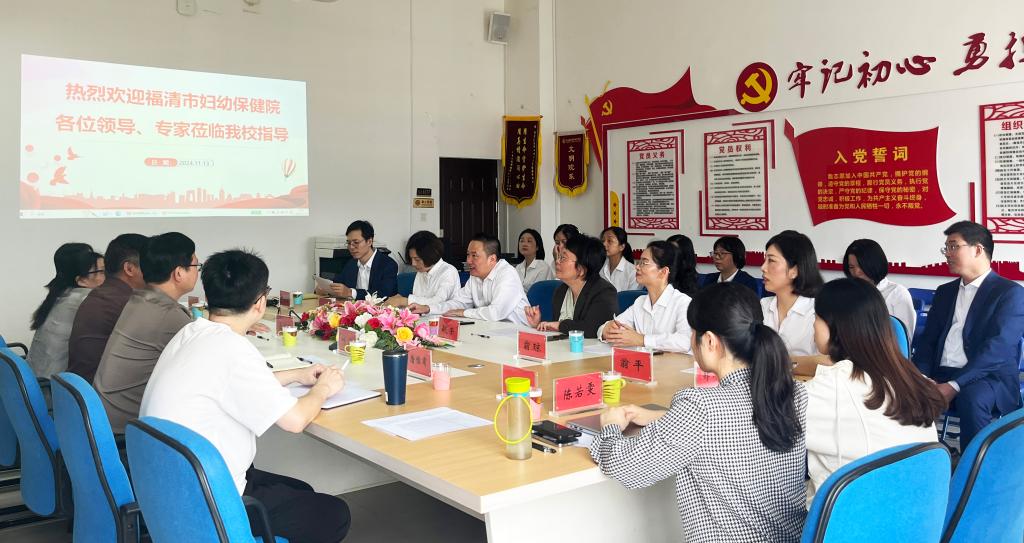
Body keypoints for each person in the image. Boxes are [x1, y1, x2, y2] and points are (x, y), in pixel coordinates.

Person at [140, 249, 350, 542]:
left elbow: (228, 383)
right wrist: (323, 388)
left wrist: (296, 375)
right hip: (213, 502)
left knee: (301, 491)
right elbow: (295, 421)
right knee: (334, 513)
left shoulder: (191, 332)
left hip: (170, 486)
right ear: (261, 302)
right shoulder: (233, 349)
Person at [590, 282, 807, 542]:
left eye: (693, 333)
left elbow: (624, 466)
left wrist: (611, 426)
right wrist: (665, 417)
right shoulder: (795, 393)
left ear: (711, 342)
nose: (691, 342)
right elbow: (737, 422)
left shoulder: (700, 406)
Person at [805, 278, 943, 499]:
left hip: (853, 513)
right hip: (915, 510)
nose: (813, 325)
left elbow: (768, 424)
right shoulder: (909, 377)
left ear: (836, 326)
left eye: (817, 317)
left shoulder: (834, 386)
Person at [913, 221, 1024, 448]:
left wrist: (954, 385)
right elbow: (928, 342)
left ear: (978, 250)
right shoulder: (945, 292)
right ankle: (921, 458)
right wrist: (922, 378)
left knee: (972, 399)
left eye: (954, 246)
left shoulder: (1010, 293)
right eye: (946, 248)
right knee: (902, 391)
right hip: (941, 372)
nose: (948, 254)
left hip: (987, 376)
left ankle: (974, 465)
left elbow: (998, 350)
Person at [94, 232, 198, 434]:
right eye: (196, 266)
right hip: (125, 429)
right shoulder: (168, 315)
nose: (197, 272)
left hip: (105, 418)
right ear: (178, 273)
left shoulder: (139, 299)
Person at [68, 234, 148, 382]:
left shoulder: (102, 293)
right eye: (149, 264)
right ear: (129, 268)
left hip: (84, 387)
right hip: (101, 390)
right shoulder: (125, 302)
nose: (155, 271)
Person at [409, 233, 530, 325]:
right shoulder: (475, 276)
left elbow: (496, 312)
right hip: (491, 329)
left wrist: (464, 312)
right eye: (468, 255)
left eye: (474, 256)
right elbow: (458, 302)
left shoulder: (507, 274)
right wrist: (428, 308)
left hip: (517, 332)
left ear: (492, 259)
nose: (468, 261)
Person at [598, 241, 692, 353]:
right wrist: (606, 329)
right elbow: (611, 326)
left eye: (644, 263)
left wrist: (642, 340)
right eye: (639, 262)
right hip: (645, 362)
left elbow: (685, 341)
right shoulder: (640, 302)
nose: (637, 267)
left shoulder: (683, 303)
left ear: (663, 272)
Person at [27, 243, 105, 379]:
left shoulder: (60, 294)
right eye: (102, 271)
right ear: (81, 280)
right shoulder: (85, 301)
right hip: (51, 386)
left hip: (34, 379)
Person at [524, 235, 617, 337]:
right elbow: (560, 332)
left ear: (581, 269)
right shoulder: (561, 291)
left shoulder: (604, 292)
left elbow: (594, 328)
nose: (557, 261)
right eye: (559, 257)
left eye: (563, 258)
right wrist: (538, 325)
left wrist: (560, 325)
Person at [760, 231, 824, 356]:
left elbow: (829, 361)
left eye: (771, 261)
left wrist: (784, 362)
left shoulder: (817, 312)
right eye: (764, 260)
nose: (763, 267)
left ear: (794, 270)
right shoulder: (762, 306)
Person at [842, 239, 917, 337]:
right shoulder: (847, 292)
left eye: (861, 266)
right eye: (851, 267)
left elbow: (905, 337)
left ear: (875, 265)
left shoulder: (897, 293)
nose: (856, 272)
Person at [324, 220, 398, 300]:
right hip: (355, 307)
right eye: (349, 243)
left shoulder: (388, 265)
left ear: (369, 241)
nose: (351, 247)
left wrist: (350, 292)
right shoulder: (351, 263)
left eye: (356, 242)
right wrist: (326, 288)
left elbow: (384, 294)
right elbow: (338, 283)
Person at [385, 230, 460, 308]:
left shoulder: (448, 271)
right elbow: (418, 298)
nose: (413, 264)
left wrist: (404, 301)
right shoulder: (422, 271)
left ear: (431, 255)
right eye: (411, 259)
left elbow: (438, 302)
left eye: (417, 259)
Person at [599, 226, 640, 292]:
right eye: (603, 241)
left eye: (609, 241)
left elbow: (632, 296)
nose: (604, 244)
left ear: (622, 247)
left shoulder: (633, 272)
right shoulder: (600, 267)